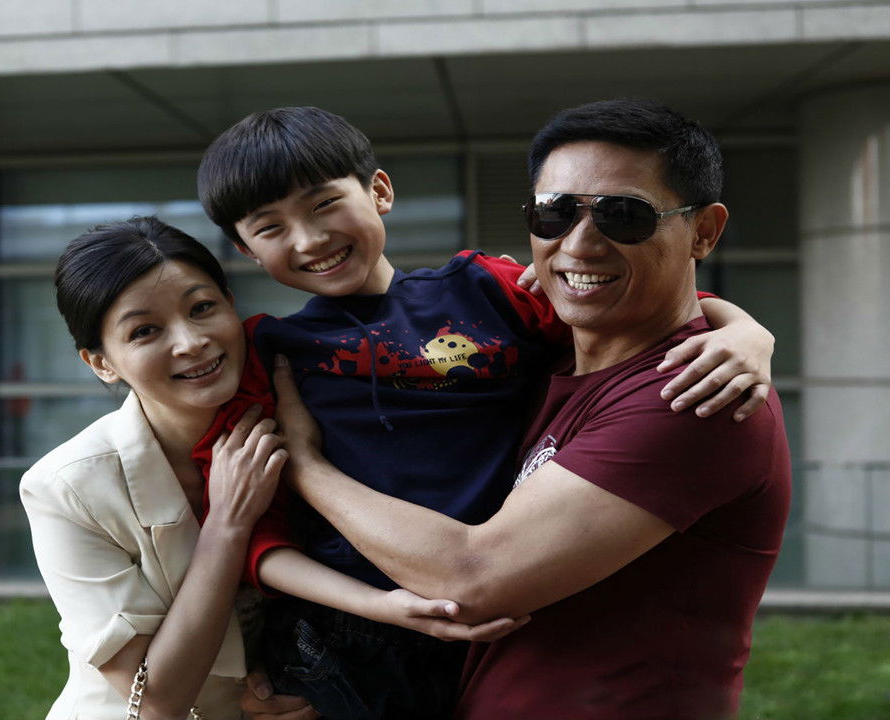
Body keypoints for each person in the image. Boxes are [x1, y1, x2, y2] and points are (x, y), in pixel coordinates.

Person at [194, 106, 778, 720]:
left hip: (484, 599)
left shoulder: (488, 292)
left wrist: (739, 328)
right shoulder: (270, 353)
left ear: (380, 192)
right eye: (271, 228)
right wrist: (372, 607)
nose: (309, 239)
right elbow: (254, 525)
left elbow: (622, 305)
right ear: (245, 249)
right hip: (349, 631)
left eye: (324, 205)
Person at [20, 216, 515, 720]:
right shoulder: (67, 488)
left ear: (231, 303)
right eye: (145, 331)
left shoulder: (305, 406)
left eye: (202, 307)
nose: (190, 341)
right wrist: (228, 523)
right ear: (101, 363)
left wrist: (527, 288)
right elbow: (154, 703)